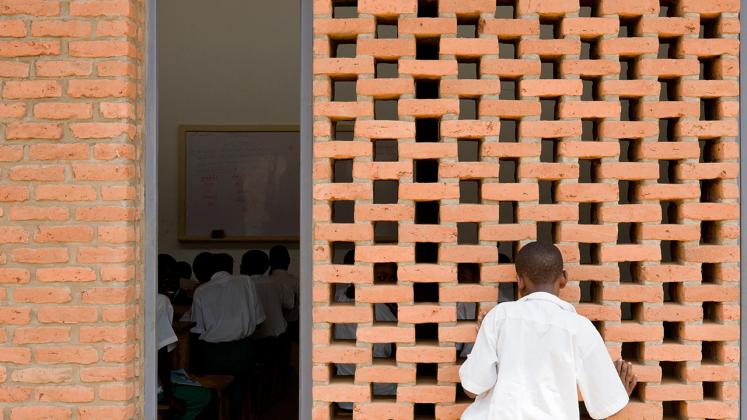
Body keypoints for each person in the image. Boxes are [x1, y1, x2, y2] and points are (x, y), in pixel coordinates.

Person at [459, 242, 637, 419]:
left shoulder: (498, 317)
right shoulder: (580, 328)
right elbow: (607, 406)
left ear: (519, 281)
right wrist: (617, 392)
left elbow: (471, 388)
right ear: (564, 278)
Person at [189, 251, 265, 418]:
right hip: (243, 353)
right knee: (239, 383)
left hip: (212, 356)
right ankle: (236, 413)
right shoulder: (246, 281)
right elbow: (259, 321)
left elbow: (197, 330)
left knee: (207, 380)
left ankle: (215, 411)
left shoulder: (201, 291)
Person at [333, 252, 397, 411]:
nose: (387, 285)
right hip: (382, 394)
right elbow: (394, 353)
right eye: (381, 278)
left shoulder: (336, 299)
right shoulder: (382, 310)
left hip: (345, 397)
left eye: (391, 279)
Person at [157, 261, 211, 420]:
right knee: (205, 396)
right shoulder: (161, 301)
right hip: (152, 386)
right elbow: (161, 353)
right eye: (165, 279)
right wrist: (169, 395)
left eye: (175, 278)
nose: (171, 283)